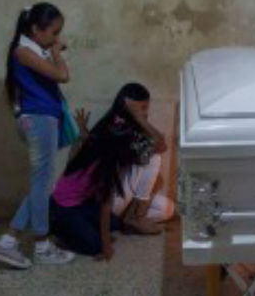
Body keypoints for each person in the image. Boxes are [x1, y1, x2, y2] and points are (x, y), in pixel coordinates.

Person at [0, 2, 76, 269]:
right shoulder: (24, 52)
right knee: (42, 183)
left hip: (42, 119)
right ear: (36, 30)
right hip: (39, 120)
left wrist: (51, 50)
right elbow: (62, 75)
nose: (57, 38)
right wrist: (57, 54)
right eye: (54, 32)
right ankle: (41, 245)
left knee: (41, 184)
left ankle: (9, 242)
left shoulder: (31, 50)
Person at [50, 83, 176, 258]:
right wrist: (106, 246)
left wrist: (139, 118)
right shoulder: (110, 146)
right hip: (63, 208)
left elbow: (159, 145)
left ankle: (127, 219)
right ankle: (61, 229)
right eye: (142, 108)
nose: (145, 112)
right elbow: (105, 204)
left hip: (83, 203)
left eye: (146, 107)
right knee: (95, 246)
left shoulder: (119, 131)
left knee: (116, 223)